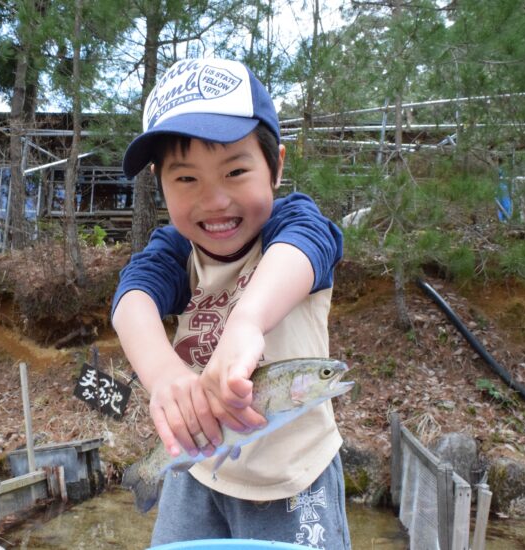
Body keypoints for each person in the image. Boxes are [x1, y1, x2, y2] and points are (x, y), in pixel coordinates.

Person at [111, 58, 349, 548]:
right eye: (186, 179)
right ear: (161, 185)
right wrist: (164, 377)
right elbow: (132, 297)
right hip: (197, 471)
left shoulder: (292, 226)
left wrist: (246, 322)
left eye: (236, 170)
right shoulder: (175, 251)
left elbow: (306, 246)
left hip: (294, 480)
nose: (215, 200)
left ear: (276, 166)